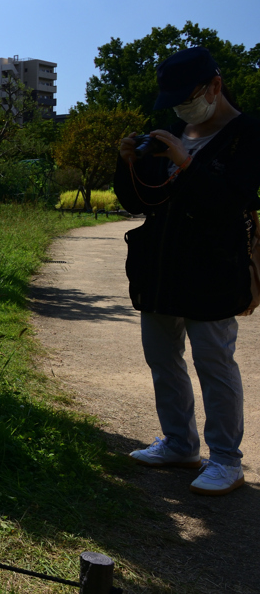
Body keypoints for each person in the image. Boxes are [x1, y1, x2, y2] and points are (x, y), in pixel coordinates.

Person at [114, 46, 260, 496]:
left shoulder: (248, 134)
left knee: (213, 362)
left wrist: (186, 163)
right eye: (174, 102)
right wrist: (128, 163)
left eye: (187, 98)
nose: (180, 109)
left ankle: (226, 460)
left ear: (215, 86)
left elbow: (229, 202)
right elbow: (141, 201)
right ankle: (179, 444)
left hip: (213, 269)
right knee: (162, 358)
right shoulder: (175, 131)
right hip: (160, 267)